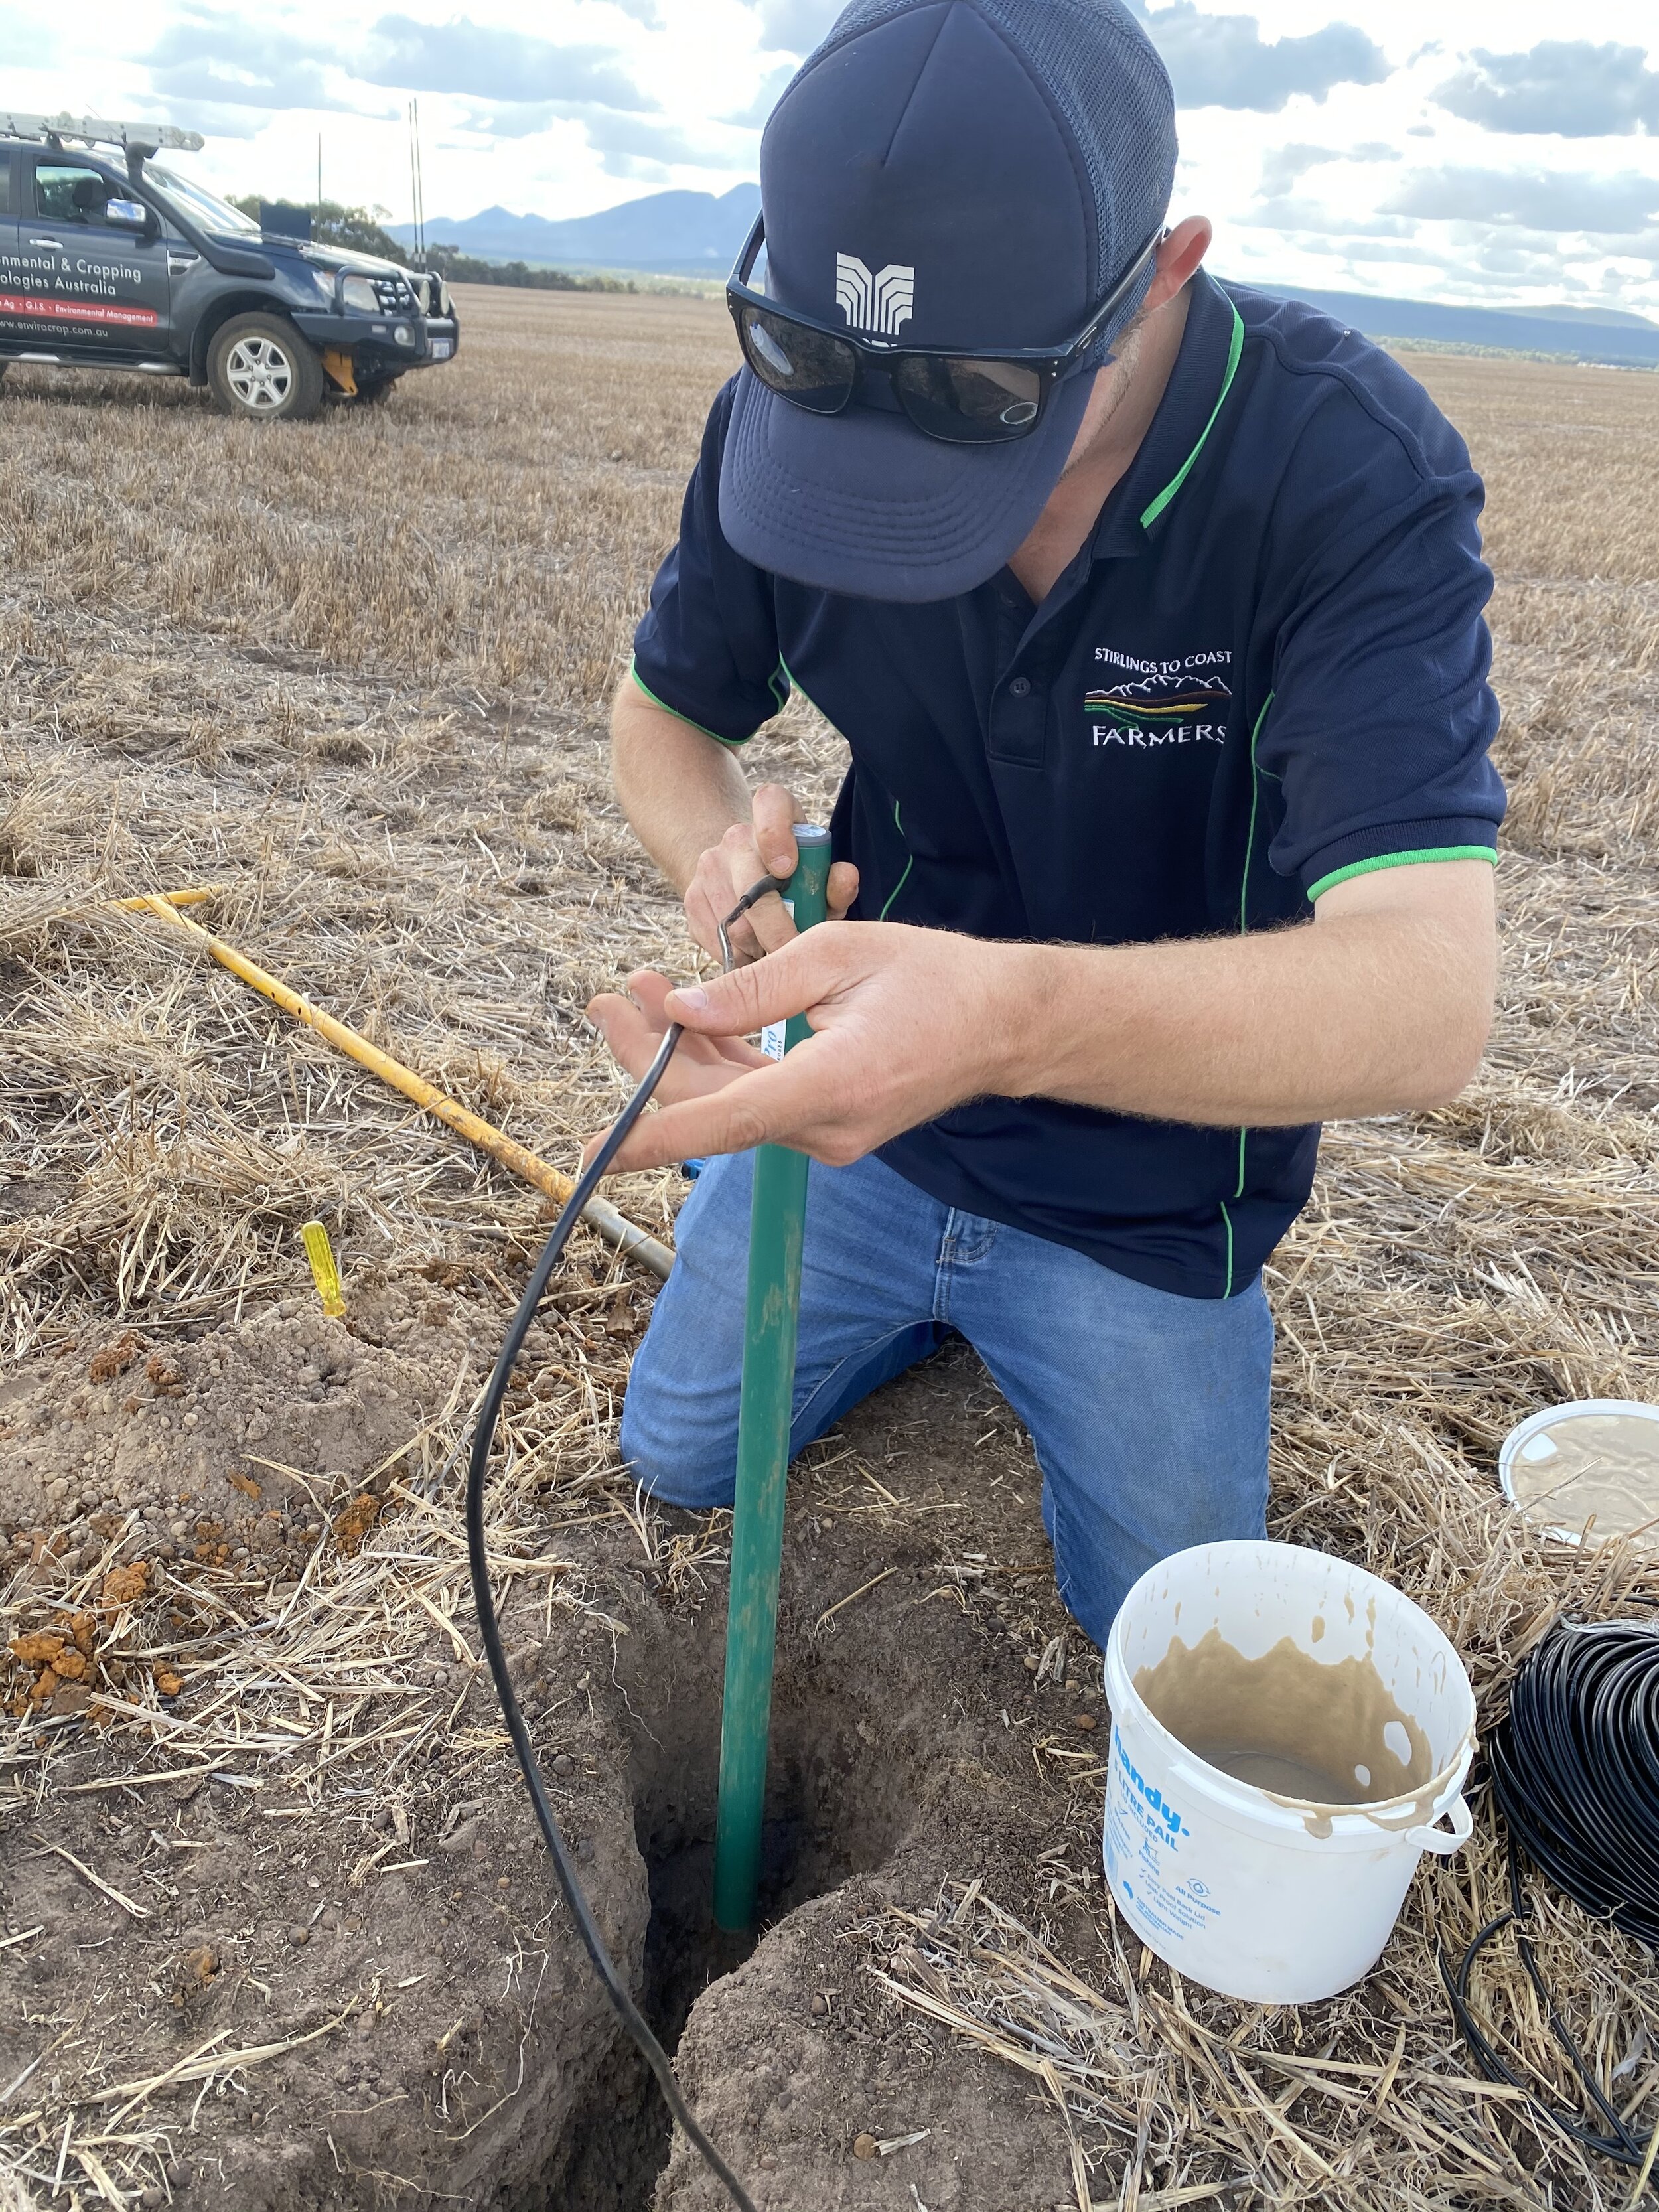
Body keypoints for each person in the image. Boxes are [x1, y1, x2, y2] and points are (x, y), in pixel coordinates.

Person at [587, 0, 1503, 1647]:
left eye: (973, 398)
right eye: (826, 375)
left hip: (1146, 1199)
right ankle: (913, 1300)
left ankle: (1014, 1306)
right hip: (858, 1134)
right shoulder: (785, 429)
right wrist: (720, 869)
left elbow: (1426, 996)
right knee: (671, 1461)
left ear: (1160, 272)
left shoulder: (1339, 473)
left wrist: (996, 1022)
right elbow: (663, 720)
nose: (882, 468)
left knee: (1171, 1640)